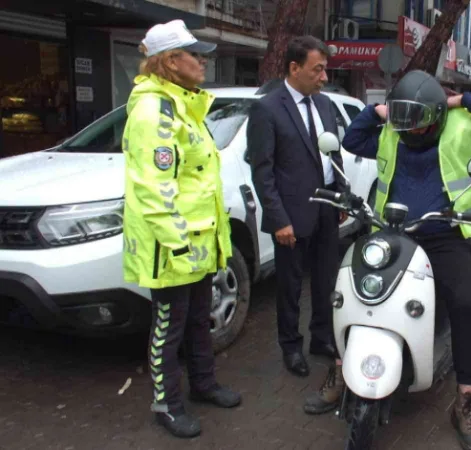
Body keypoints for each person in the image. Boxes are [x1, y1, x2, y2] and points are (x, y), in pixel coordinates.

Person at [317, 70, 471, 450]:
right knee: (348, 291)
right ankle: (340, 370)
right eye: (403, 122)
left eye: (418, 122)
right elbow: (353, 138)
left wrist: (461, 100)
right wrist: (381, 110)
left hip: (444, 233)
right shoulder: (393, 127)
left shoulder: (464, 127)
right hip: (389, 229)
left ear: (437, 115)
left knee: (462, 303)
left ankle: (465, 397)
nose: (410, 132)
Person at [121, 19, 242, 439]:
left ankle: (204, 385)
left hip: (198, 242)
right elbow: (154, 189)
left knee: (197, 321)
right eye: (197, 55)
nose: (204, 62)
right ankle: (166, 405)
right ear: (172, 62)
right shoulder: (154, 111)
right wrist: (177, 246)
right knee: (168, 327)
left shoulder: (183, 105)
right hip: (173, 247)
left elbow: (197, 180)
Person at [247, 36, 347, 379]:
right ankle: (291, 346)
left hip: (327, 210)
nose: (323, 77)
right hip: (291, 216)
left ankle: (321, 337)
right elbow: (263, 170)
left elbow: (333, 155)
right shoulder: (267, 108)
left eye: (325, 70)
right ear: (294, 67)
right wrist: (278, 219)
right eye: (317, 69)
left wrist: (341, 197)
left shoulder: (324, 105)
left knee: (325, 280)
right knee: (290, 286)